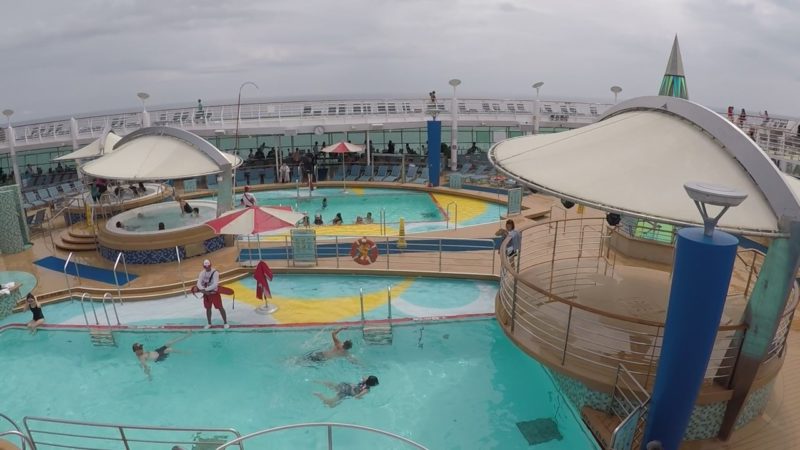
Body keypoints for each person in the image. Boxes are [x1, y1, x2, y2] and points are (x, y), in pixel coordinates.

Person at [197, 259, 228, 329]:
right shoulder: (202, 273)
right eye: (206, 267)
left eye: (208, 266)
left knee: (220, 307)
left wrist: (205, 290)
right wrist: (204, 291)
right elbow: (198, 283)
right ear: (203, 266)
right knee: (208, 308)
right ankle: (209, 323)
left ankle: (225, 322)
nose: (207, 267)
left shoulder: (215, 272)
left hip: (214, 293)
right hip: (206, 295)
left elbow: (215, 284)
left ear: (210, 265)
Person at [313, 375, 379, 407]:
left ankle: (318, 381)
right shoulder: (367, 390)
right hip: (347, 392)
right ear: (372, 385)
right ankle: (320, 395)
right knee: (330, 403)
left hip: (347, 385)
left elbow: (363, 376)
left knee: (333, 386)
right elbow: (357, 396)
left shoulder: (364, 379)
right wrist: (360, 397)